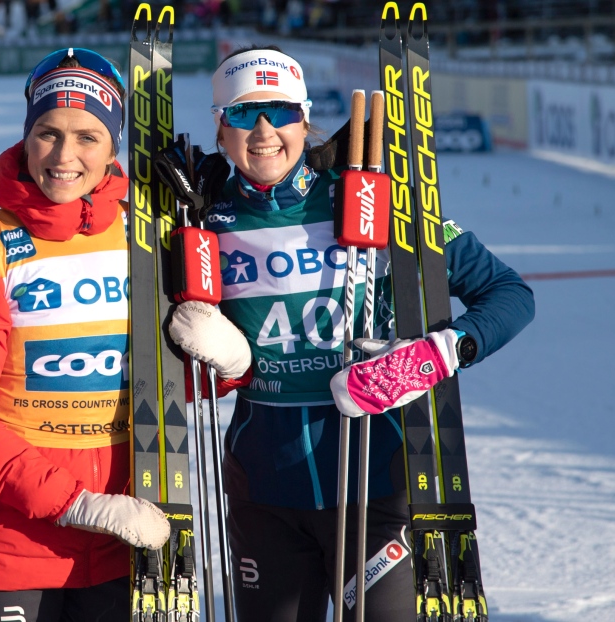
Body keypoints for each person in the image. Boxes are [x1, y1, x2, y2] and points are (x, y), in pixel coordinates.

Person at [164, 46, 535, 621]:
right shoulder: (200, 218)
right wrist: (203, 352)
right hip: (262, 493)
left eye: (280, 111)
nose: (263, 131)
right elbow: (169, 370)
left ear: (305, 119)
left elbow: (509, 295)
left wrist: (436, 354)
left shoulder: (372, 199)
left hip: (376, 485)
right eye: (241, 114)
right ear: (219, 125)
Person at [0, 48, 171, 622]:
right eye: (47, 133)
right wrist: (74, 503)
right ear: (25, 137)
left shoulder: (146, 240)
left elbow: (177, 392)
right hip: (8, 542)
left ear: (113, 149)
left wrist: (226, 361)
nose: (64, 155)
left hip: (124, 543)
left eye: (87, 136)